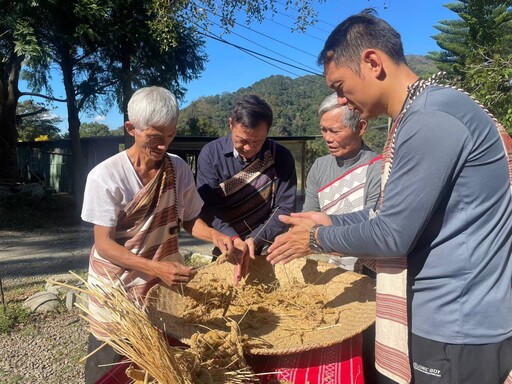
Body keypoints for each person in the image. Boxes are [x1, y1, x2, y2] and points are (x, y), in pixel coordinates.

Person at [267, 9, 512, 384]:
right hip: (454, 321)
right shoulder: (425, 112)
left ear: (372, 62)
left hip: (457, 325)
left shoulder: (429, 119)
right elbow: (388, 214)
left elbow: (392, 234)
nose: (343, 101)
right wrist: (330, 220)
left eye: (340, 86)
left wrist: (316, 239)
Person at [81, 86, 234, 384]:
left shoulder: (177, 168)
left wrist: (216, 237)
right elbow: (104, 244)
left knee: (160, 367)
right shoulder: (106, 176)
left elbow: (189, 219)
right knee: (109, 368)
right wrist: (155, 267)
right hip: (117, 292)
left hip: (160, 290)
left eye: (170, 136)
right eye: (154, 137)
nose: (163, 145)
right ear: (131, 128)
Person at [196, 94, 297, 278]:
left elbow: (284, 208)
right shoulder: (210, 154)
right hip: (225, 244)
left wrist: (254, 240)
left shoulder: (280, 156)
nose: (249, 148)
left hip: (266, 247)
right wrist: (233, 239)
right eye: (242, 140)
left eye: (257, 141)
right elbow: (209, 208)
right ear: (230, 124)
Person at [303, 93, 381, 272]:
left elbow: (371, 221)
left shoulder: (378, 168)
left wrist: (326, 230)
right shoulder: (319, 166)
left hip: (366, 268)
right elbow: (309, 214)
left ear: (360, 128)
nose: (328, 138)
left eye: (335, 131)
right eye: (324, 130)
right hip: (327, 264)